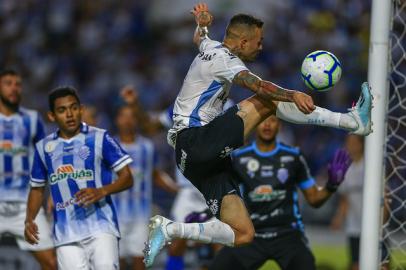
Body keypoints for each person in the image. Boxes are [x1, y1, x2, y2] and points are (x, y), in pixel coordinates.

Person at [144, 3, 372, 267]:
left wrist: (202, 24)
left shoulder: (212, 48)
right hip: (197, 140)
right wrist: (292, 95)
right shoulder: (225, 60)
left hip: (191, 160)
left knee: (243, 234)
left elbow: (201, 39)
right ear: (242, 41)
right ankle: (352, 121)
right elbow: (259, 85)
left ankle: (170, 230)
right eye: (258, 41)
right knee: (268, 100)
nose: (261, 47)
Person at [209, 115, 351, 270]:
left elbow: (314, 199)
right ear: (256, 123)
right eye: (263, 120)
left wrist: (332, 185)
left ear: (280, 125)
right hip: (251, 234)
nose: (267, 125)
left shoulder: (293, 157)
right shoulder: (239, 158)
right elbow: (227, 198)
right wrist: (207, 214)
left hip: (287, 234)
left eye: (273, 120)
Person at [24, 86, 134, 270]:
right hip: (66, 234)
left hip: (102, 227)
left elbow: (127, 178)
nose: (69, 114)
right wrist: (29, 220)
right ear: (52, 116)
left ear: (81, 109)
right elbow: (37, 188)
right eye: (62, 110)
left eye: (73, 108)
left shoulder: (100, 138)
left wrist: (102, 191)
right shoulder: (44, 148)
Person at [120, 85, 228, 270]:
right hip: (188, 190)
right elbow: (149, 127)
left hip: (216, 185)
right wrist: (135, 104)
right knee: (177, 243)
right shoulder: (180, 108)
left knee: (221, 244)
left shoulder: (227, 107)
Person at [0, 69, 56, 270]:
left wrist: (55, 192)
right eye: (8, 83)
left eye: (18, 84)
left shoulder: (32, 119)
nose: (14, 88)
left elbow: (47, 158)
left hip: (26, 208)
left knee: (51, 263)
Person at [112, 103, 178, 270]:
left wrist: (175, 189)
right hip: (114, 216)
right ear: (117, 120)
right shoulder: (109, 147)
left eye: (131, 116)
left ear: (137, 120)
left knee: (139, 261)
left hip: (140, 216)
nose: (127, 120)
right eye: (123, 116)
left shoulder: (147, 147)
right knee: (115, 262)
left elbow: (154, 174)